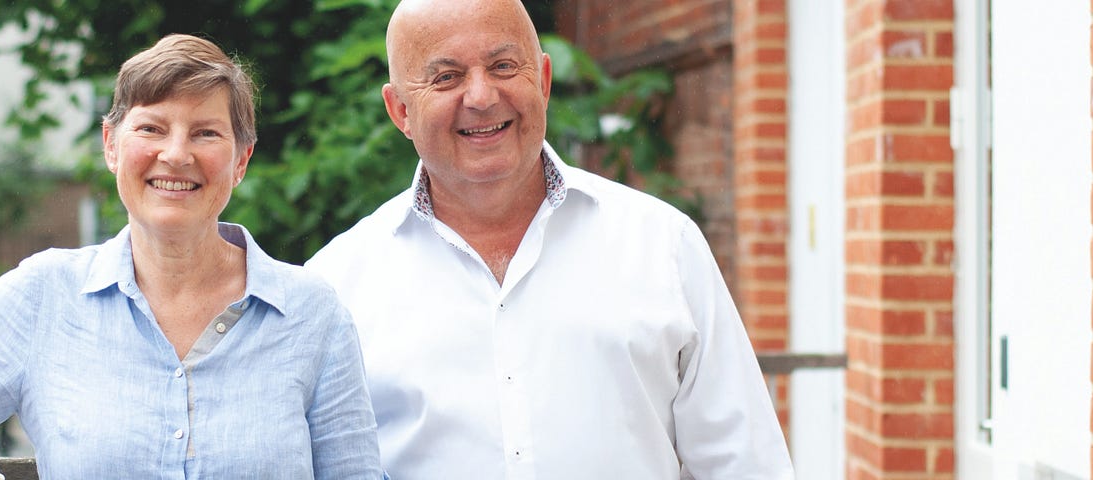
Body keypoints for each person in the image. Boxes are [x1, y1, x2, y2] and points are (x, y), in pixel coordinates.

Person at [0, 34, 383, 480]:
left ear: (241, 159)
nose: (176, 154)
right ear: (111, 145)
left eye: (206, 133)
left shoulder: (314, 313)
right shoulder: (44, 293)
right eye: (151, 128)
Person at [304, 0, 795, 478]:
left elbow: (745, 462)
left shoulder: (662, 245)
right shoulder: (335, 289)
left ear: (542, 79)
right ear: (400, 111)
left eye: (502, 65)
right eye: (446, 77)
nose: (480, 96)